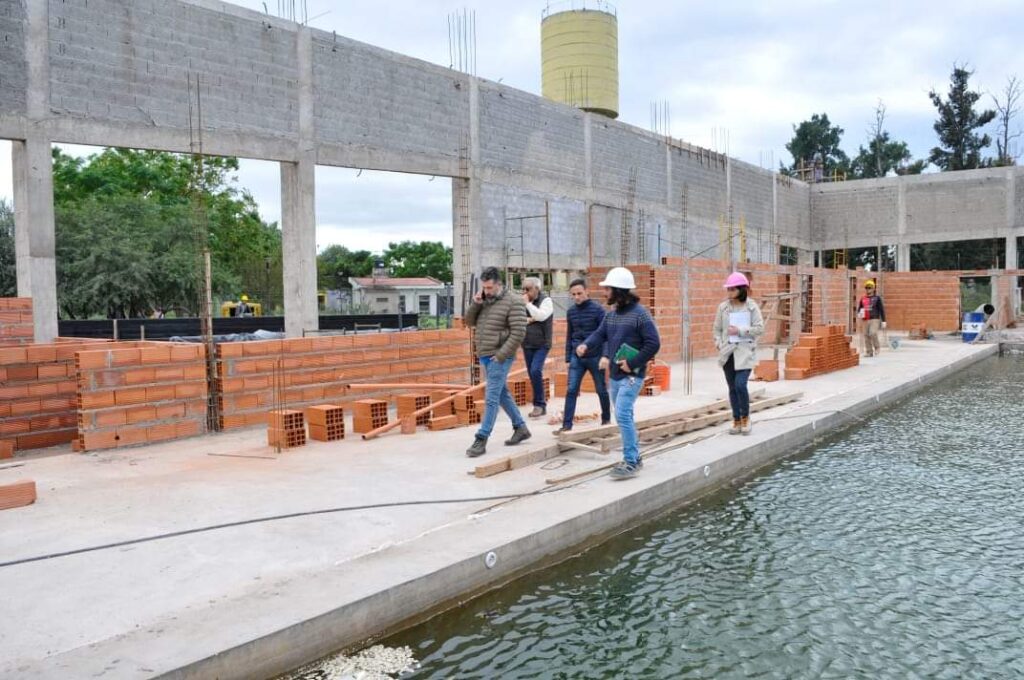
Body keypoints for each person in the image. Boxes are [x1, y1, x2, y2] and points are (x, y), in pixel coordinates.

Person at [576, 267, 660, 480]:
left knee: (621, 414)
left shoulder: (640, 315)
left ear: (619, 291)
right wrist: (586, 345)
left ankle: (631, 460)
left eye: (608, 289)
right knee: (625, 415)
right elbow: (599, 334)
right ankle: (635, 456)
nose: (604, 293)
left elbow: (653, 343)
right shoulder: (611, 316)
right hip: (614, 376)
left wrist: (632, 363)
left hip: (632, 375)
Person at [464, 267, 531, 458]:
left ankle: (481, 438)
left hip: (499, 356)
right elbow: (469, 322)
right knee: (501, 393)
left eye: (490, 288)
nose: (487, 291)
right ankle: (521, 427)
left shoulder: (514, 302)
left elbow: (519, 332)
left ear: (500, 284)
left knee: (491, 397)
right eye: (484, 287)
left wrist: (501, 355)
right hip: (485, 354)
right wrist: (476, 303)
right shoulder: (484, 300)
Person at [556, 278, 610, 434]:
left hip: (595, 356)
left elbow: (605, 335)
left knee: (601, 389)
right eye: (573, 294)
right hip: (576, 358)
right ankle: (567, 425)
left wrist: (605, 356)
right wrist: (568, 358)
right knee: (571, 389)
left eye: (579, 293)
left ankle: (606, 420)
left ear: (587, 291)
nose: (577, 297)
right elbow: (569, 335)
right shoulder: (571, 312)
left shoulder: (598, 310)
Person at [713, 272, 764, 436]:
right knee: (732, 388)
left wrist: (740, 331)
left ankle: (745, 418)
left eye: (732, 289)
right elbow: (717, 329)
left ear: (742, 289)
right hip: (727, 352)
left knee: (741, 385)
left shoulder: (751, 306)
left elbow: (759, 328)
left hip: (745, 352)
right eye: (728, 289)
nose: (729, 292)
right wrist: (718, 343)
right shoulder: (723, 307)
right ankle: (736, 420)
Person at [521, 276, 554, 418]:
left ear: (536, 288)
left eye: (527, 289)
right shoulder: (523, 301)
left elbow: (541, 316)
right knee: (531, 373)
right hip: (527, 343)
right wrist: (529, 318)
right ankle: (540, 405)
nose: (525, 292)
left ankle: (539, 404)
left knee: (535, 371)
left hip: (542, 343)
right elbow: (517, 318)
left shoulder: (546, 300)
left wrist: (529, 307)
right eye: (523, 289)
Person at [856, 280, 886, 357]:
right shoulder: (863, 298)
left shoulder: (877, 298)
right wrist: (859, 313)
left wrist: (884, 320)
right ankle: (869, 352)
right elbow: (859, 309)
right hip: (865, 319)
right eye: (866, 287)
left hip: (874, 319)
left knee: (873, 333)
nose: (868, 289)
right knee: (866, 335)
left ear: (873, 288)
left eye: (869, 287)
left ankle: (877, 347)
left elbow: (881, 309)